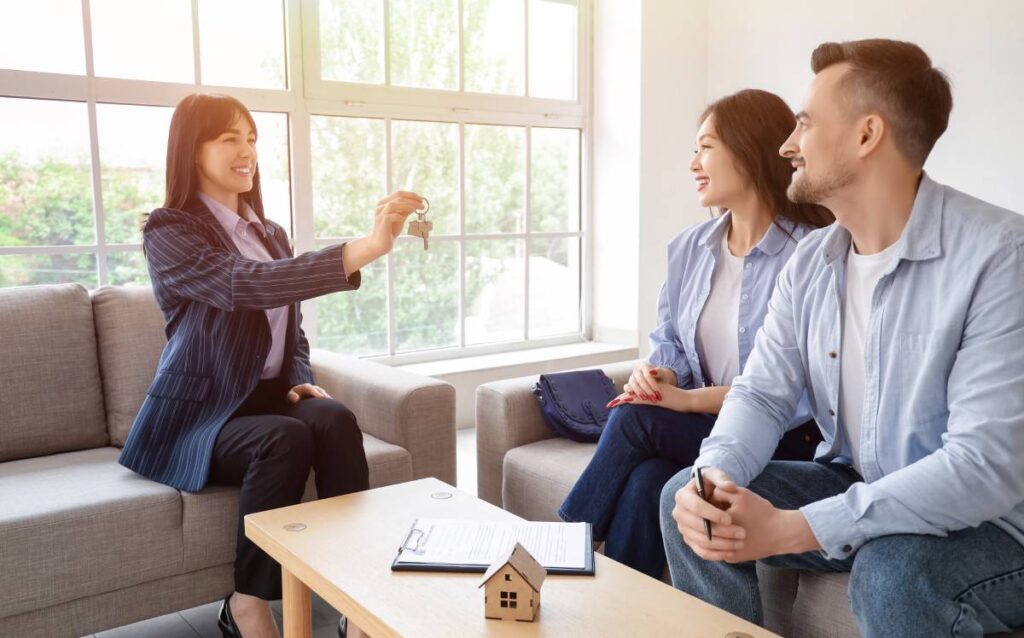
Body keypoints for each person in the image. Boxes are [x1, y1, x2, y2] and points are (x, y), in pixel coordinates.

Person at [661, 39, 1024, 637]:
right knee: (690, 500)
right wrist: (715, 476)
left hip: (995, 525)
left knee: (892, 571)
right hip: (859, 479)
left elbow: (981, 468)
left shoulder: (1000, 255)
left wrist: (797, 527)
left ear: (867, 134)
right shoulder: (810, 263)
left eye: (804, 124)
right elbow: (761, 394)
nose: (787, 145)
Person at [118, 93, 423, 638]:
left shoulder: (271, 233)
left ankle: (357, 594)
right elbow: (246, 285)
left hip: (267, 401)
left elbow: (292, 329)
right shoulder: (169, 232)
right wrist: (366, 247)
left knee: (334, 419)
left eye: (252, 138)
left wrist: (300, 378)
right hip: (202, 416)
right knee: (283, 439)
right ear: (193, 150)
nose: (247, 151)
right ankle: (246, 602)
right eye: (229, 139)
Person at [558, 89, 832, 578]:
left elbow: (800, 392)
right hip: (706, 430)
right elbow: (669, 342)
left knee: (635, 418)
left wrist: (684, 401)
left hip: (781, 437)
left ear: (749, 150)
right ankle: (615, 608)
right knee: (648, 481)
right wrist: (661, 374)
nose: (693, 164)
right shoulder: (689, 248)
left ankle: (560, 545)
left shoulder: (811, 255)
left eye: (705, 147)